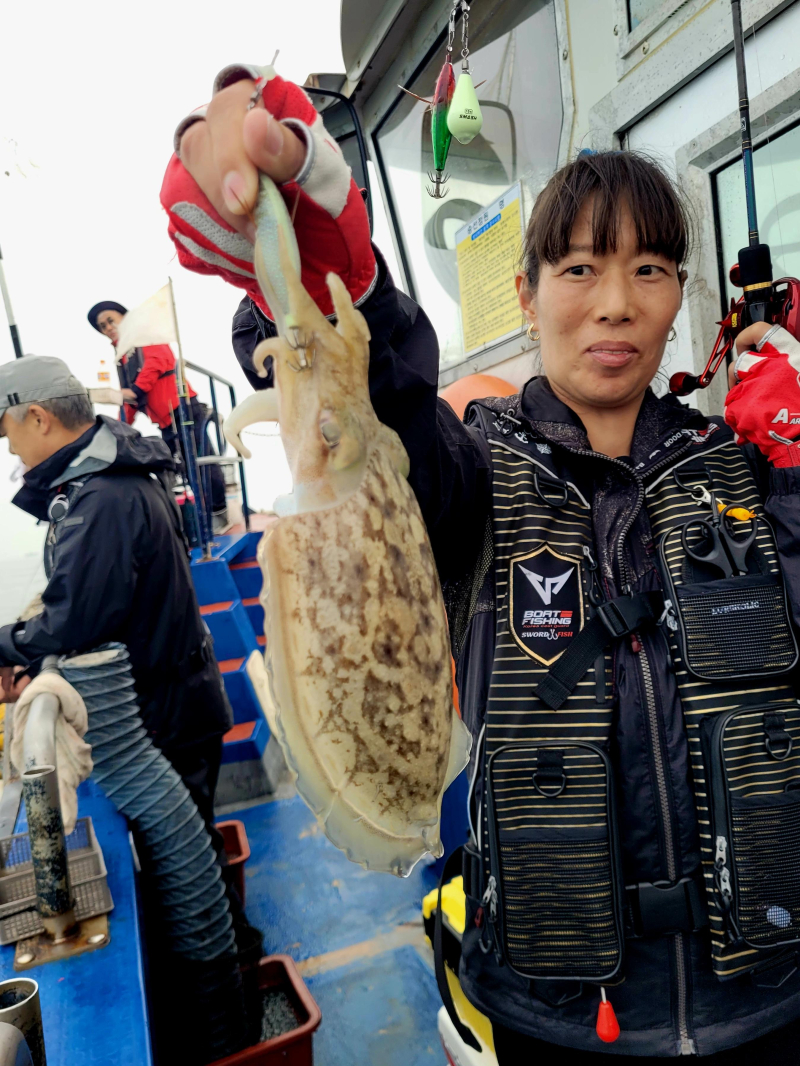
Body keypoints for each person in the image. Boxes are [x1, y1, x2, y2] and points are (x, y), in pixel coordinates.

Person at [161, 69, 800, 1061]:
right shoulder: (473, 470)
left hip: (767, 1000)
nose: (614, 304)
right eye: (579, 270)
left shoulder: (744, 472)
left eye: (647, 269)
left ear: (680, 290)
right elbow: (390, 428)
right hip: (556, 1014)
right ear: (526, 291)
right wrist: (331, 254)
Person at [0, 356, 239, 880]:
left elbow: (75, 619)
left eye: (8, 431)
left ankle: (224, 955)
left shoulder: (102, 497)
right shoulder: (113, 474)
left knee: (188, 863)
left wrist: (6, 645)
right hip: (177, 694)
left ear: (39, 418)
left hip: (168, 711)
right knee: (189, 850)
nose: (11, 448)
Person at [87, 300, 228, 529]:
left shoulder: (146, 335)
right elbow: (129, 397)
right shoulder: (122, 356)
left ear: (125, 317)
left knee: (202, 464)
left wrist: (135, 390)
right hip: (165, 422)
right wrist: (119, 427)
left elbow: (157, 362)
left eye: (110, 320)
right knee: (177, 469)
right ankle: (194, 519)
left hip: (184, 409)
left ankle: (219, 514)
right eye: (102, 326)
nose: (108, 327)